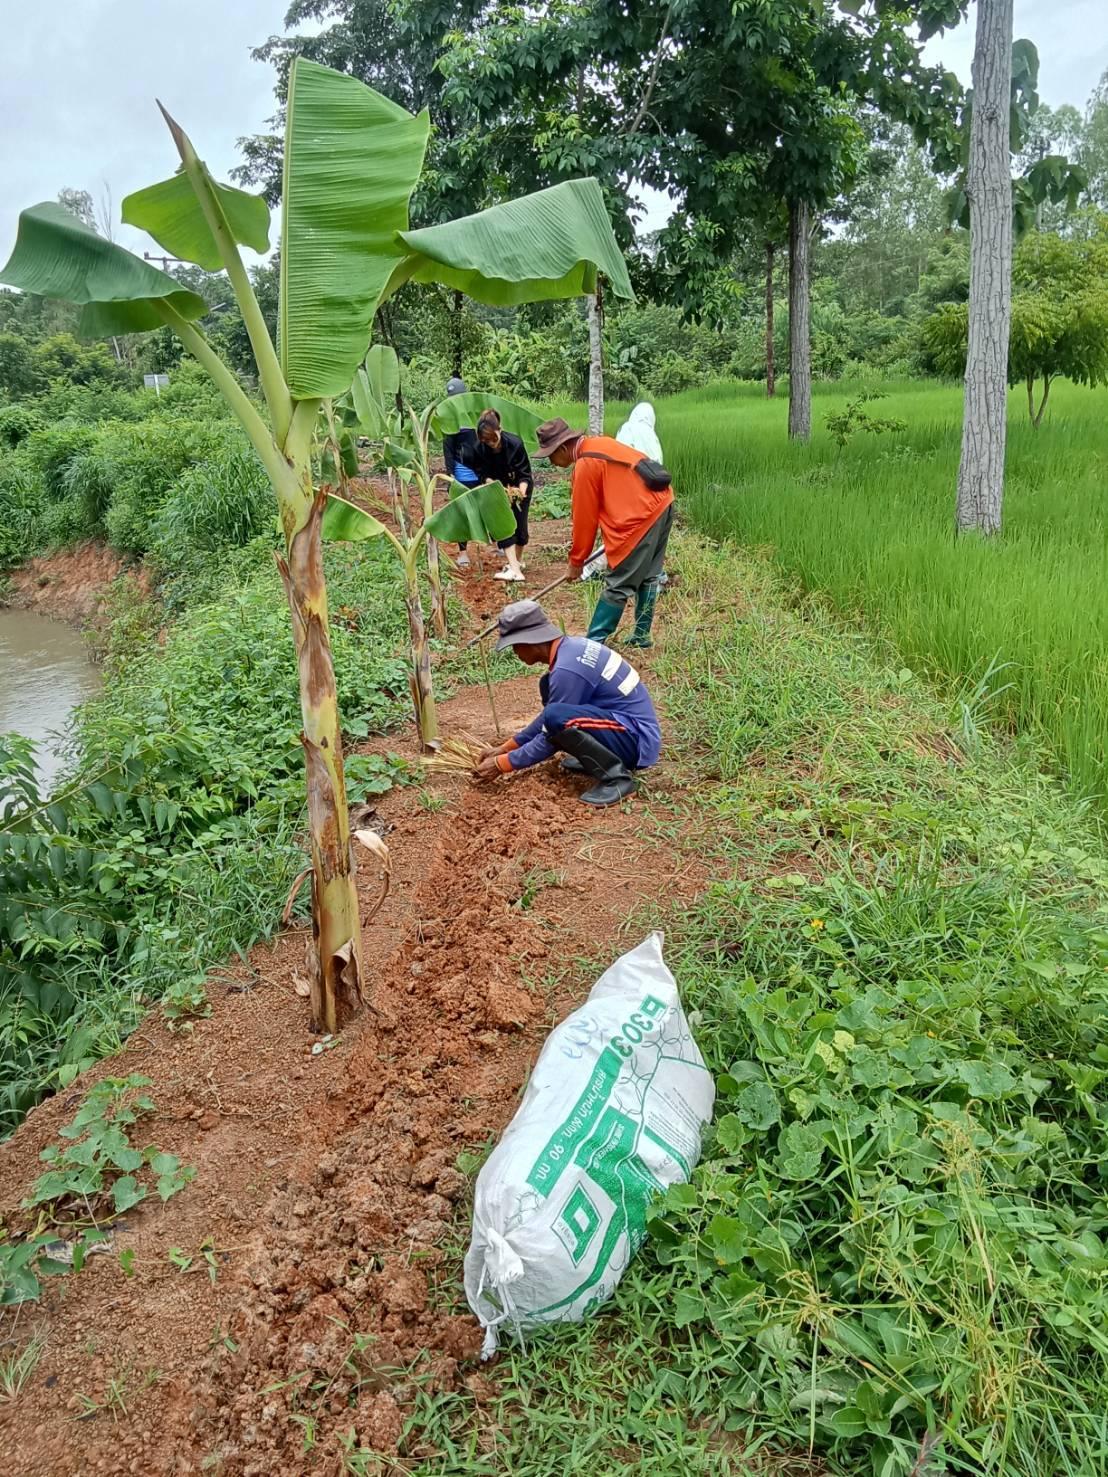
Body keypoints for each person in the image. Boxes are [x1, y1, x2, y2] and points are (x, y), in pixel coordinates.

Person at [475, 599, 662, 807]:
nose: (516, 653)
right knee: (550, 695)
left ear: (530, 641)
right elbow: (549, 719)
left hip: (636, 741)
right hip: (624, 729)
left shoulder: (567, 671)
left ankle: (617, 779)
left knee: (558, 718)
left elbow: (550, 733)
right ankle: (599, 759)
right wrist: (505, 748)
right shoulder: (571, 649)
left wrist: (502, 764)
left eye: (515, 646)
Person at [535, 416, 673, 648]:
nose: (551, 462)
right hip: (664, 502)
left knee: (619, 582)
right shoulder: (599, 444)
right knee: (649, 575)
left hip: (642, 514)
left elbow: (584, 519)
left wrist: (577, 561)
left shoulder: (586, 463)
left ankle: (593, 644)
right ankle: (641, 635)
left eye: (551, 455)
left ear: (562, 448)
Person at [473, 408, 534, 583]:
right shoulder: (479, 448)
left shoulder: (515, 444)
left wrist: (520, 492)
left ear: (499, 430)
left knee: (521, 530)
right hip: (496, 491)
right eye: (487, 442)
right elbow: (482, 473)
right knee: (504, 528)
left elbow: (524, 474)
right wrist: (491, 483)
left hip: (519, 488)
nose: (491, 444)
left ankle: (517, 563)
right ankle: (515, 569)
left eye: (493, 440)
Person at [616, 402, 669, 591]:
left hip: (632, 493)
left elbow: (620, 460)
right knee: (650, 541)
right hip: (657, 496)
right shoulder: (651, 436)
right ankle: (651, 579)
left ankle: (628, 575)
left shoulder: (627, 429)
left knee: (630, 537)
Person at [442, 377, 479, 568]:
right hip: (461, 475)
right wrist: (451, 475)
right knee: (461, 515)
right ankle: (463, 552)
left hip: (480, 474)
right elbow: (448, 451)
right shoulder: (448, 421)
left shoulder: (474, 415)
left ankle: (498, 544)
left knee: (485, 509)